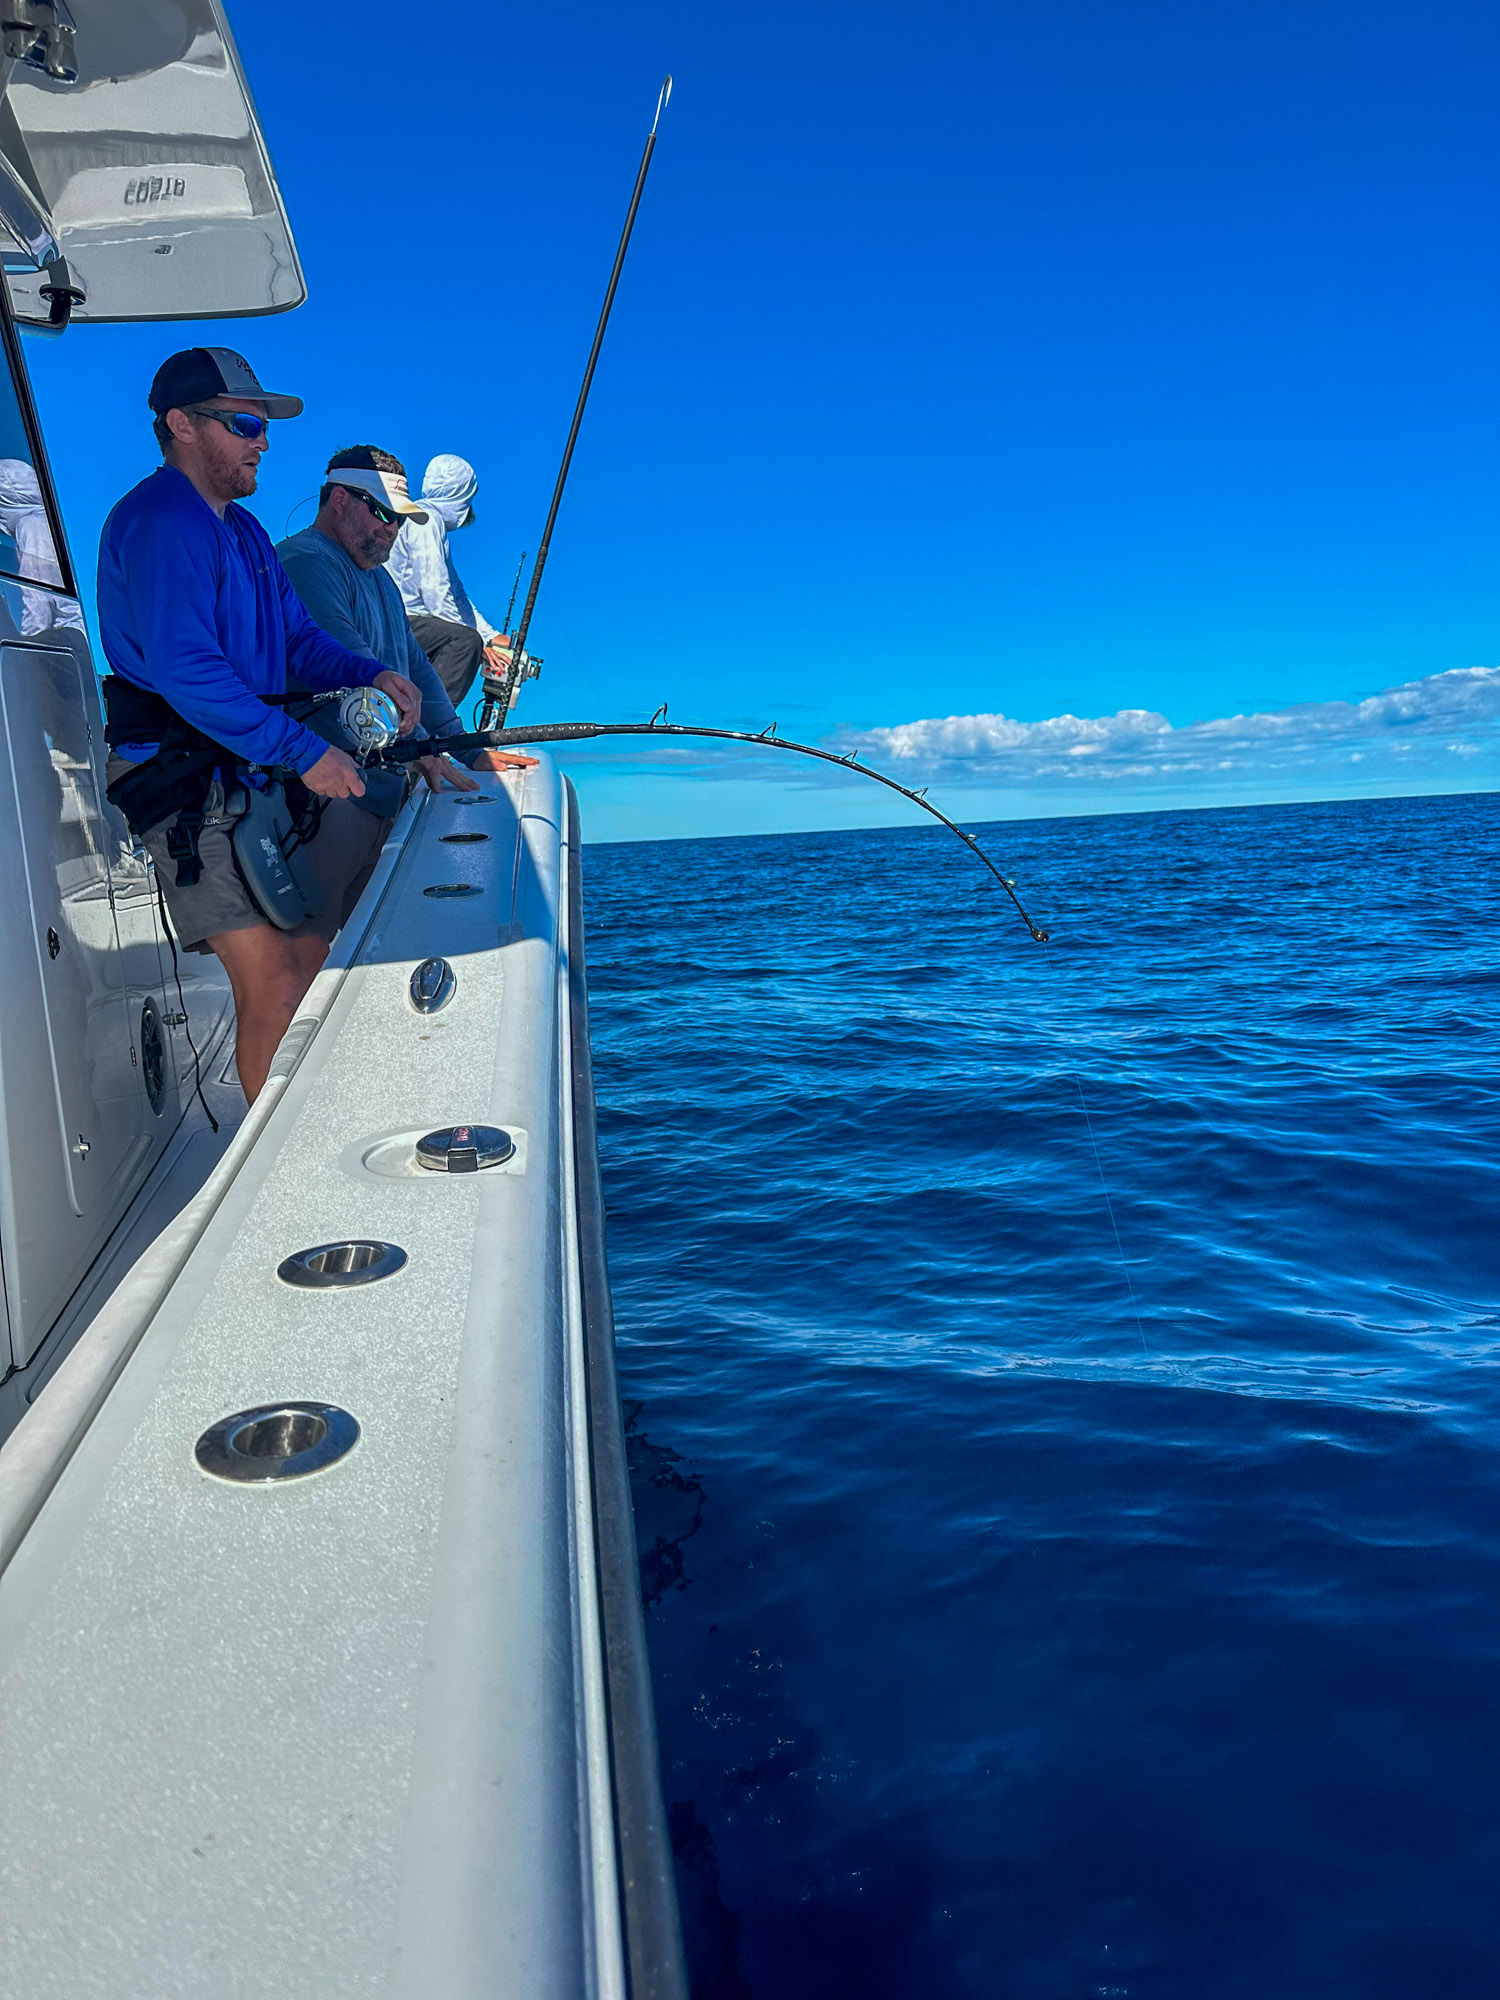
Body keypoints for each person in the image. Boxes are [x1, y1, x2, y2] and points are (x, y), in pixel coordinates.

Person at [97, 346, 422, 1103]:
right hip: (179, 786)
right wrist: (304, 752)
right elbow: (186, 670)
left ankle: (306, 1124)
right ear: (180, 424)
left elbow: (298, 641)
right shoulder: (157, 520)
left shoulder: (242, 532)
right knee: (274, 983)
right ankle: (275, 1181)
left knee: (302, 960)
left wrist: (368, 672)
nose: (263, 440)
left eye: (264, 424)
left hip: (241, 770)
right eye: (245, 421)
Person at [276, 444, 536, 811]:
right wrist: (418, 744)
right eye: (383, 512)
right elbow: (350, 668)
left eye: (399, 518)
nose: (392, 528)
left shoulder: (382, 581)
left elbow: (419, 670)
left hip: (378, 784)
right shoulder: (305, 563)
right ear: (339, 499)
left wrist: (466, 749)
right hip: (324, 797)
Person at [387, 452, 525, 705]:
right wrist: (476, 645)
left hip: (416, 626)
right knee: (464, 643)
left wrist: (491, 637)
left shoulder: (430, 520)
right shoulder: (425, 521)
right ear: (459, 495)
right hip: (399, 623)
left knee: (468, 639)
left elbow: (456, 594)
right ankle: (428, 730)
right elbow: (435, 593)